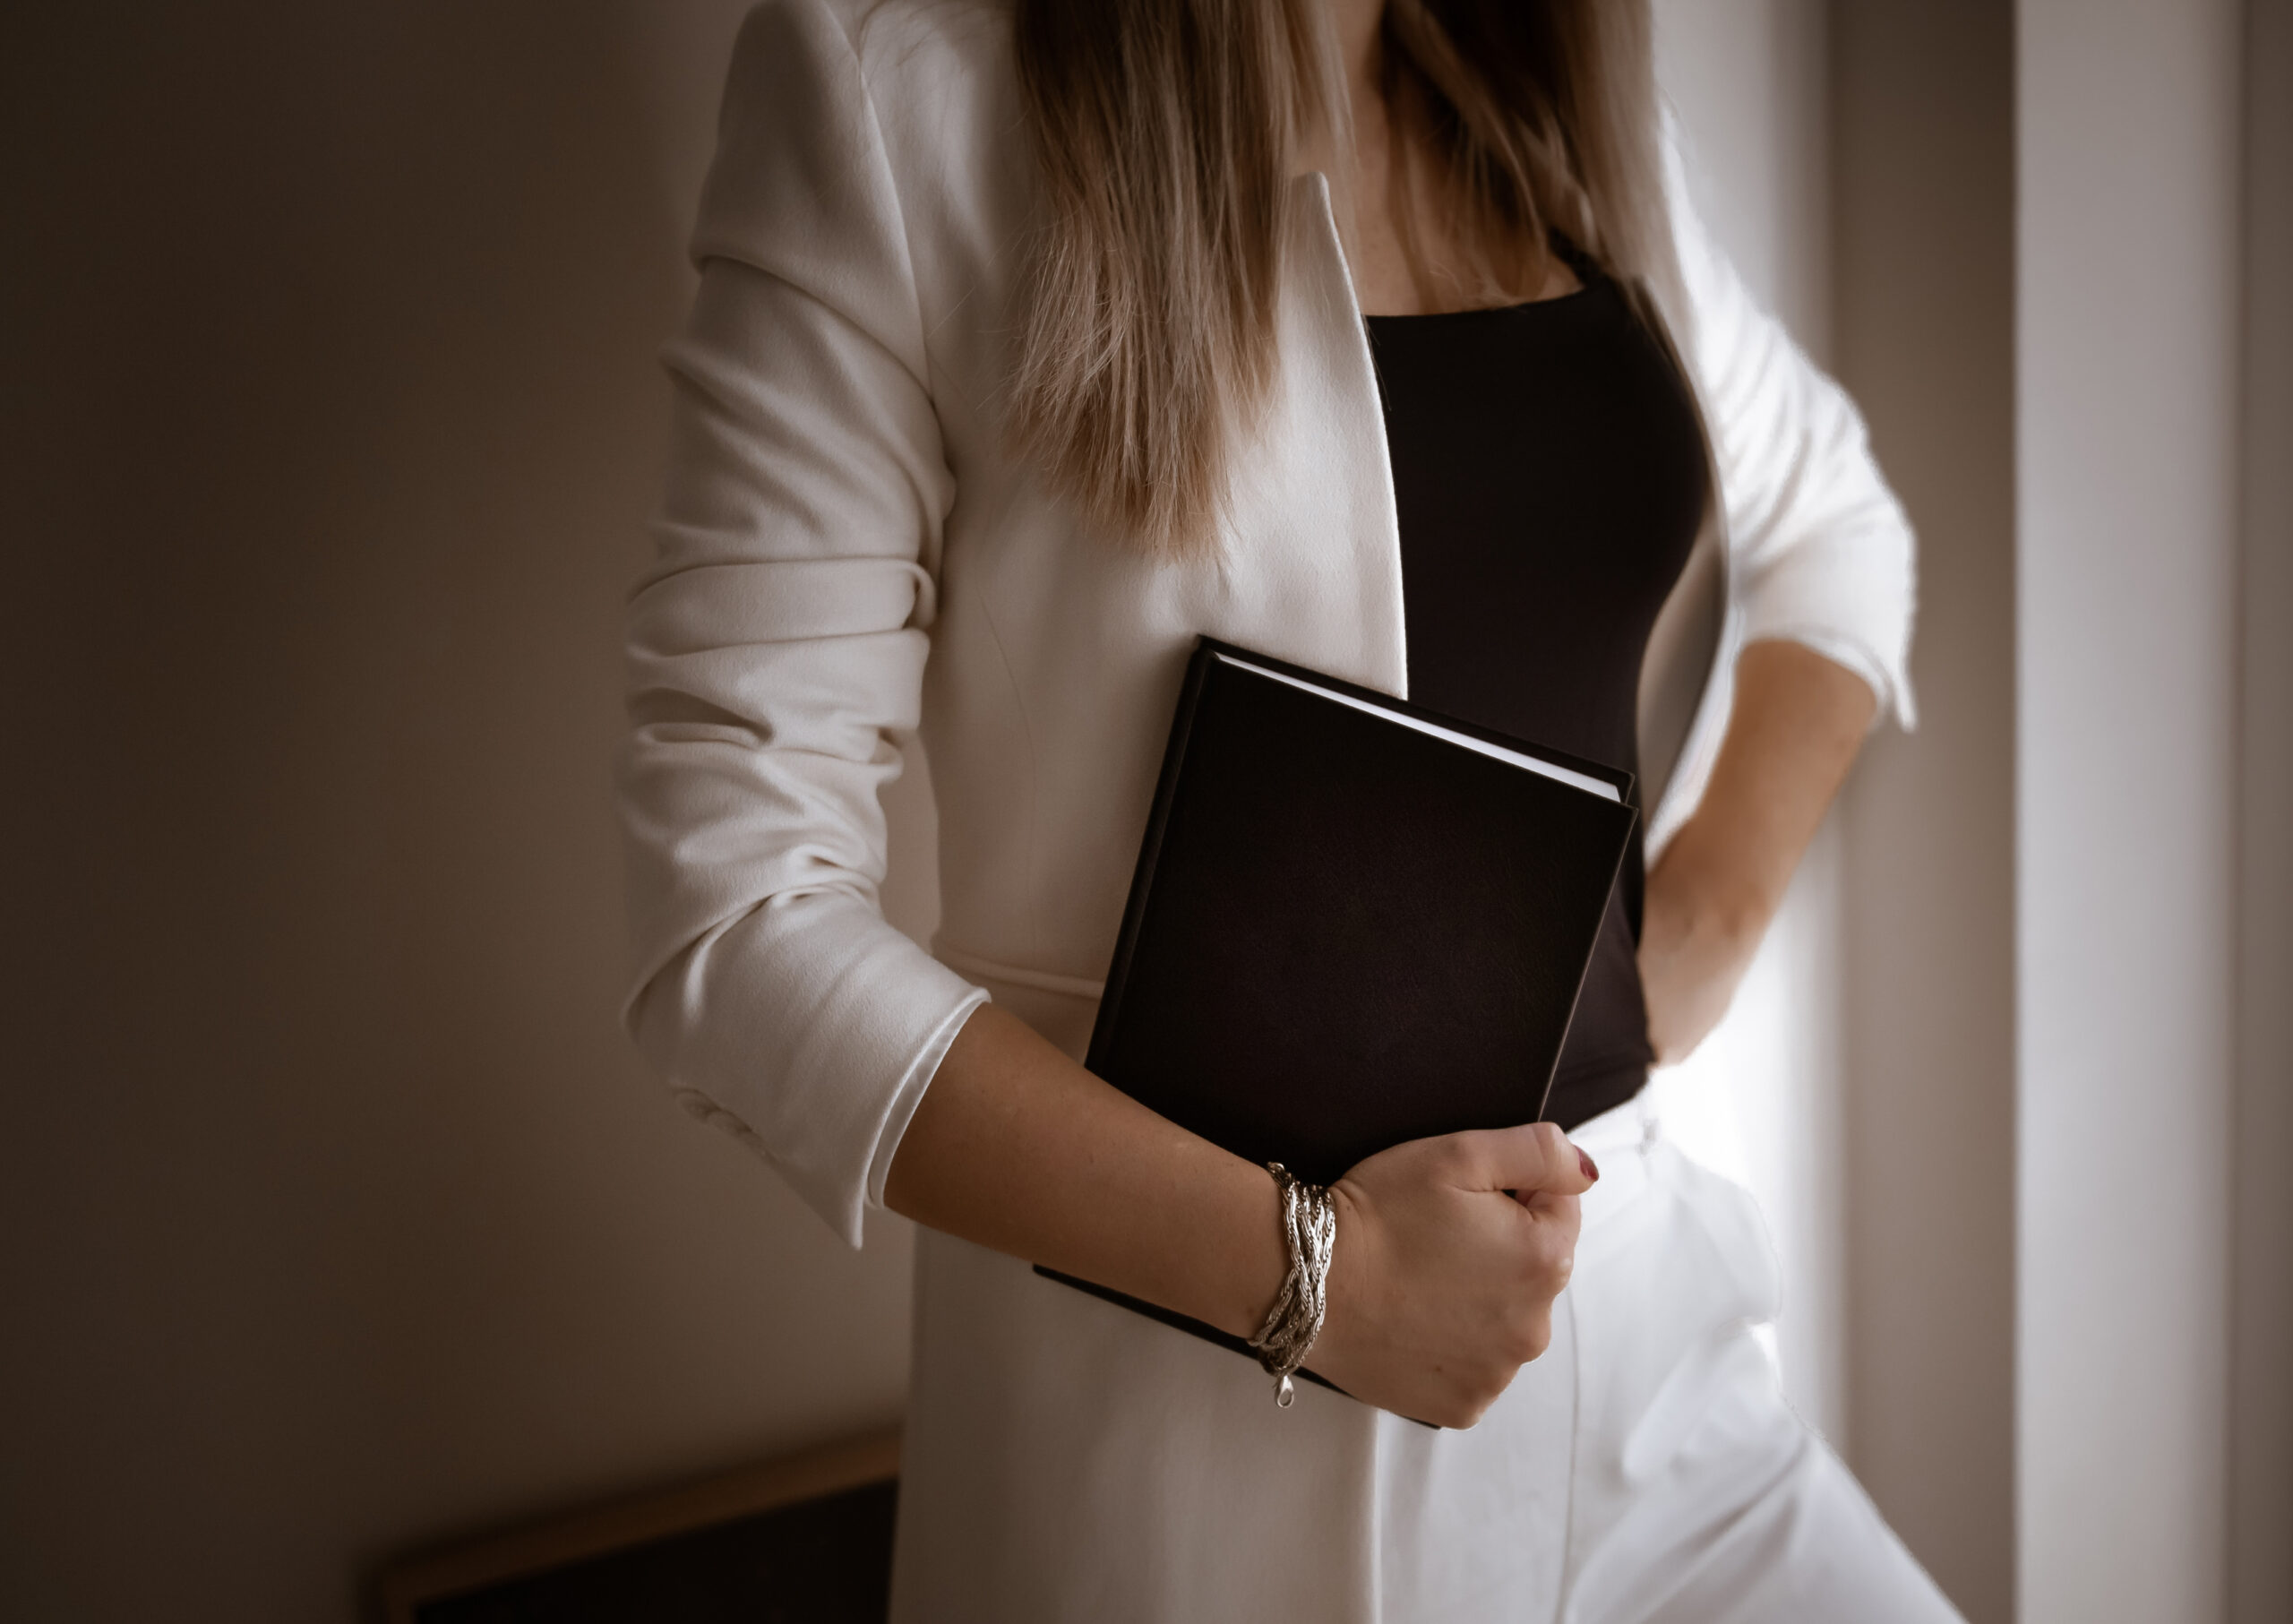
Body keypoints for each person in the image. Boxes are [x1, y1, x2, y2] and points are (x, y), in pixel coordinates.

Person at [616, 0, 1966, 1617]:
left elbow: (1836, 523)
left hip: (1643, 1371)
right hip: (1202, 1456)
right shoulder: (907, 101)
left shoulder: (1550, 113)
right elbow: (735, 910)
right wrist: (1320, 1283)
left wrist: (1708, 922)